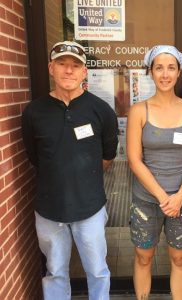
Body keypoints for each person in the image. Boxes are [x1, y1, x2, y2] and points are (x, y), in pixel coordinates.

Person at [21, 41, 118, 300]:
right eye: (62, 64)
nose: (68, 71)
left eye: (75, 65)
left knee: (97, 270)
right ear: (51, 68)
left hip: (90, 209)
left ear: (84, 72)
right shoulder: (34, 112)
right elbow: (35, 156)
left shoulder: (100, 110)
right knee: (55, 271)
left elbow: (108, 155)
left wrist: (82, 179)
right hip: (50, 211)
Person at [126, 45, 182, 300]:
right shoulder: (139, 110)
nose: (165, 74)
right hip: (147, 201)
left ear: (179, 71)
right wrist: (163, 197)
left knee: (179, 258)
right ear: (151, 71)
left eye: (171, 67)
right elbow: (135, 160)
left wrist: (179, 196)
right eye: (159, 67)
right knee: (143, 256)